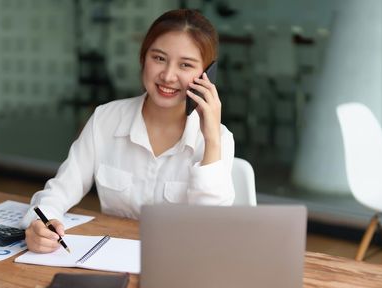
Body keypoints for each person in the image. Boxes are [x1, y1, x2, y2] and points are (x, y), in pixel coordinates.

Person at [21, 8, 235, 253]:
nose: (168, 75)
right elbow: (61, 189)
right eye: (159, 58)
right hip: (111, 255)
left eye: (185, 65)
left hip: (179, 263)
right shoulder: (106, 119)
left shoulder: (219, 138)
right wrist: (41, 222)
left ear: (207, 74)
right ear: (143, 58)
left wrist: (211, 139)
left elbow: (211, 231)